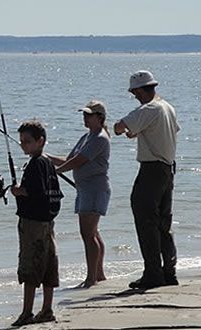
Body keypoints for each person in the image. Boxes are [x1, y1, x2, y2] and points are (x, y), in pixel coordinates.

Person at [113, 70, 180, 289]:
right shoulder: (168, 108)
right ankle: (169, 271)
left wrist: (130, 129)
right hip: (168, 168)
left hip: (151, 169)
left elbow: (118, 127)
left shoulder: (149, 108)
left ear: (142, 89)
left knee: (145, 220)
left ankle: (153, 273)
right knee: (163, 221)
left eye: (135, 92)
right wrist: (139, 131)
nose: (135, 96)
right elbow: (163, 131)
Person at [46, 100, 111, 288]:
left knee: (88, 234)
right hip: (85, 189)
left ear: (99, 118)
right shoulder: (86, 137)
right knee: (93, 233)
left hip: (95, 189)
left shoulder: (100, 137)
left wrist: (56, 172)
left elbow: (79, 162)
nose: (85, 117)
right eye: (84, 114)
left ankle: (91, 278)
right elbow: (68, 160)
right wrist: (45, 156)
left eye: (89, 115)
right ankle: (99, 275)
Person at [10, 120, 63, 326]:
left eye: (28, 141)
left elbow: (34, 192)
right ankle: (47, 309)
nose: (23, 145)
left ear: (40, 141)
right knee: (49, 264)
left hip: (33, 223)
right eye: (21, 141)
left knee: (30, 266)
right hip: (48, 222)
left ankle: (27, 313)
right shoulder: (48, 163)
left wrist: (17, 190)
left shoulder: (35, 164)